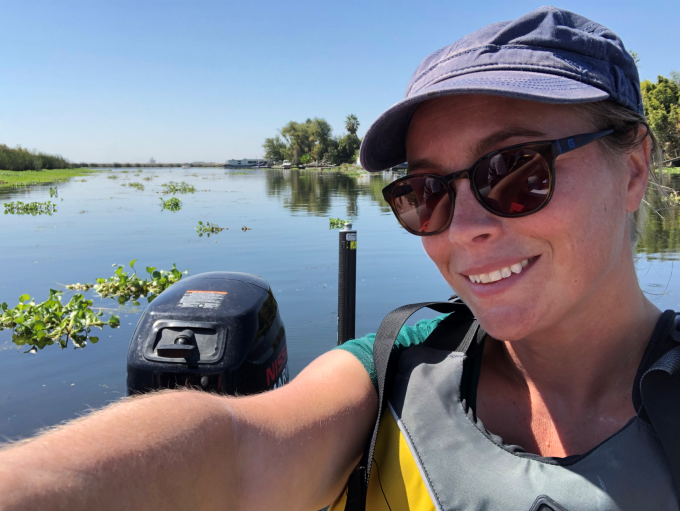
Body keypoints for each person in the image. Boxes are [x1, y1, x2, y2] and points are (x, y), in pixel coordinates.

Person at [0, 6, 675, 510]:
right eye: (425, 191)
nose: (463, 227)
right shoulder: (397, 364)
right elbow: (237, 447)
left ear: (634, 168)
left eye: (513, 169)